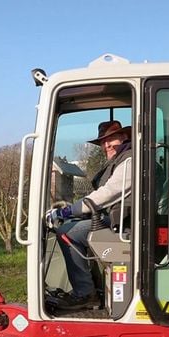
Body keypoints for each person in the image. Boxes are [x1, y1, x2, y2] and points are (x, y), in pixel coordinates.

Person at [45, 120, 133, 310]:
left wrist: (68, 211)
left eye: (112, 139)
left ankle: (85, 293)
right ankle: (91, 289)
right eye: (103, 142)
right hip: (118, 219)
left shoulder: (130, 161)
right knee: (72, 226)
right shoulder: (122, 159)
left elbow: (107, 194)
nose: (106, 145)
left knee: (68, 233)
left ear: (125, 137)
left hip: (126, 224)